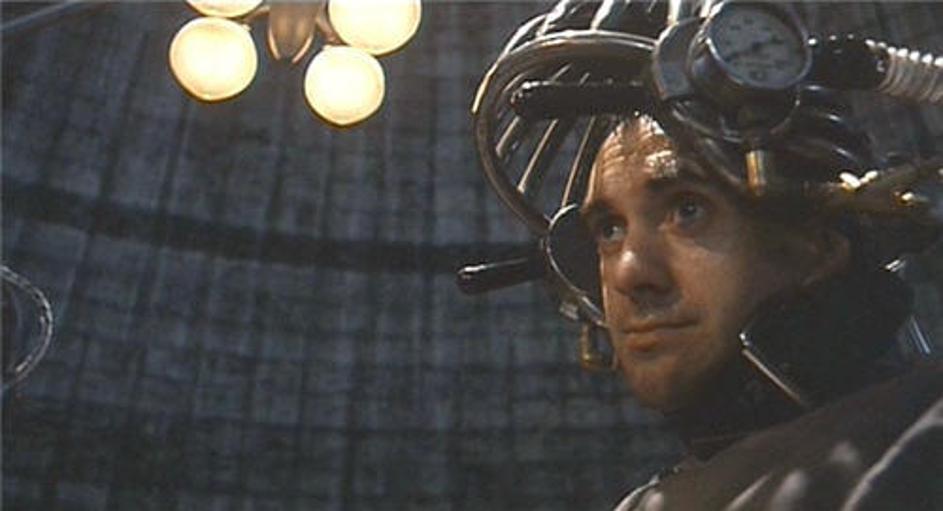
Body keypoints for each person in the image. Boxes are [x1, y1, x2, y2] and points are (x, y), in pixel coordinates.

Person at [461, 1, 943, 509]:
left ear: (818, 243)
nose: (629, 273)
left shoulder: (919, 446)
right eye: (609, 230)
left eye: (686, 210)